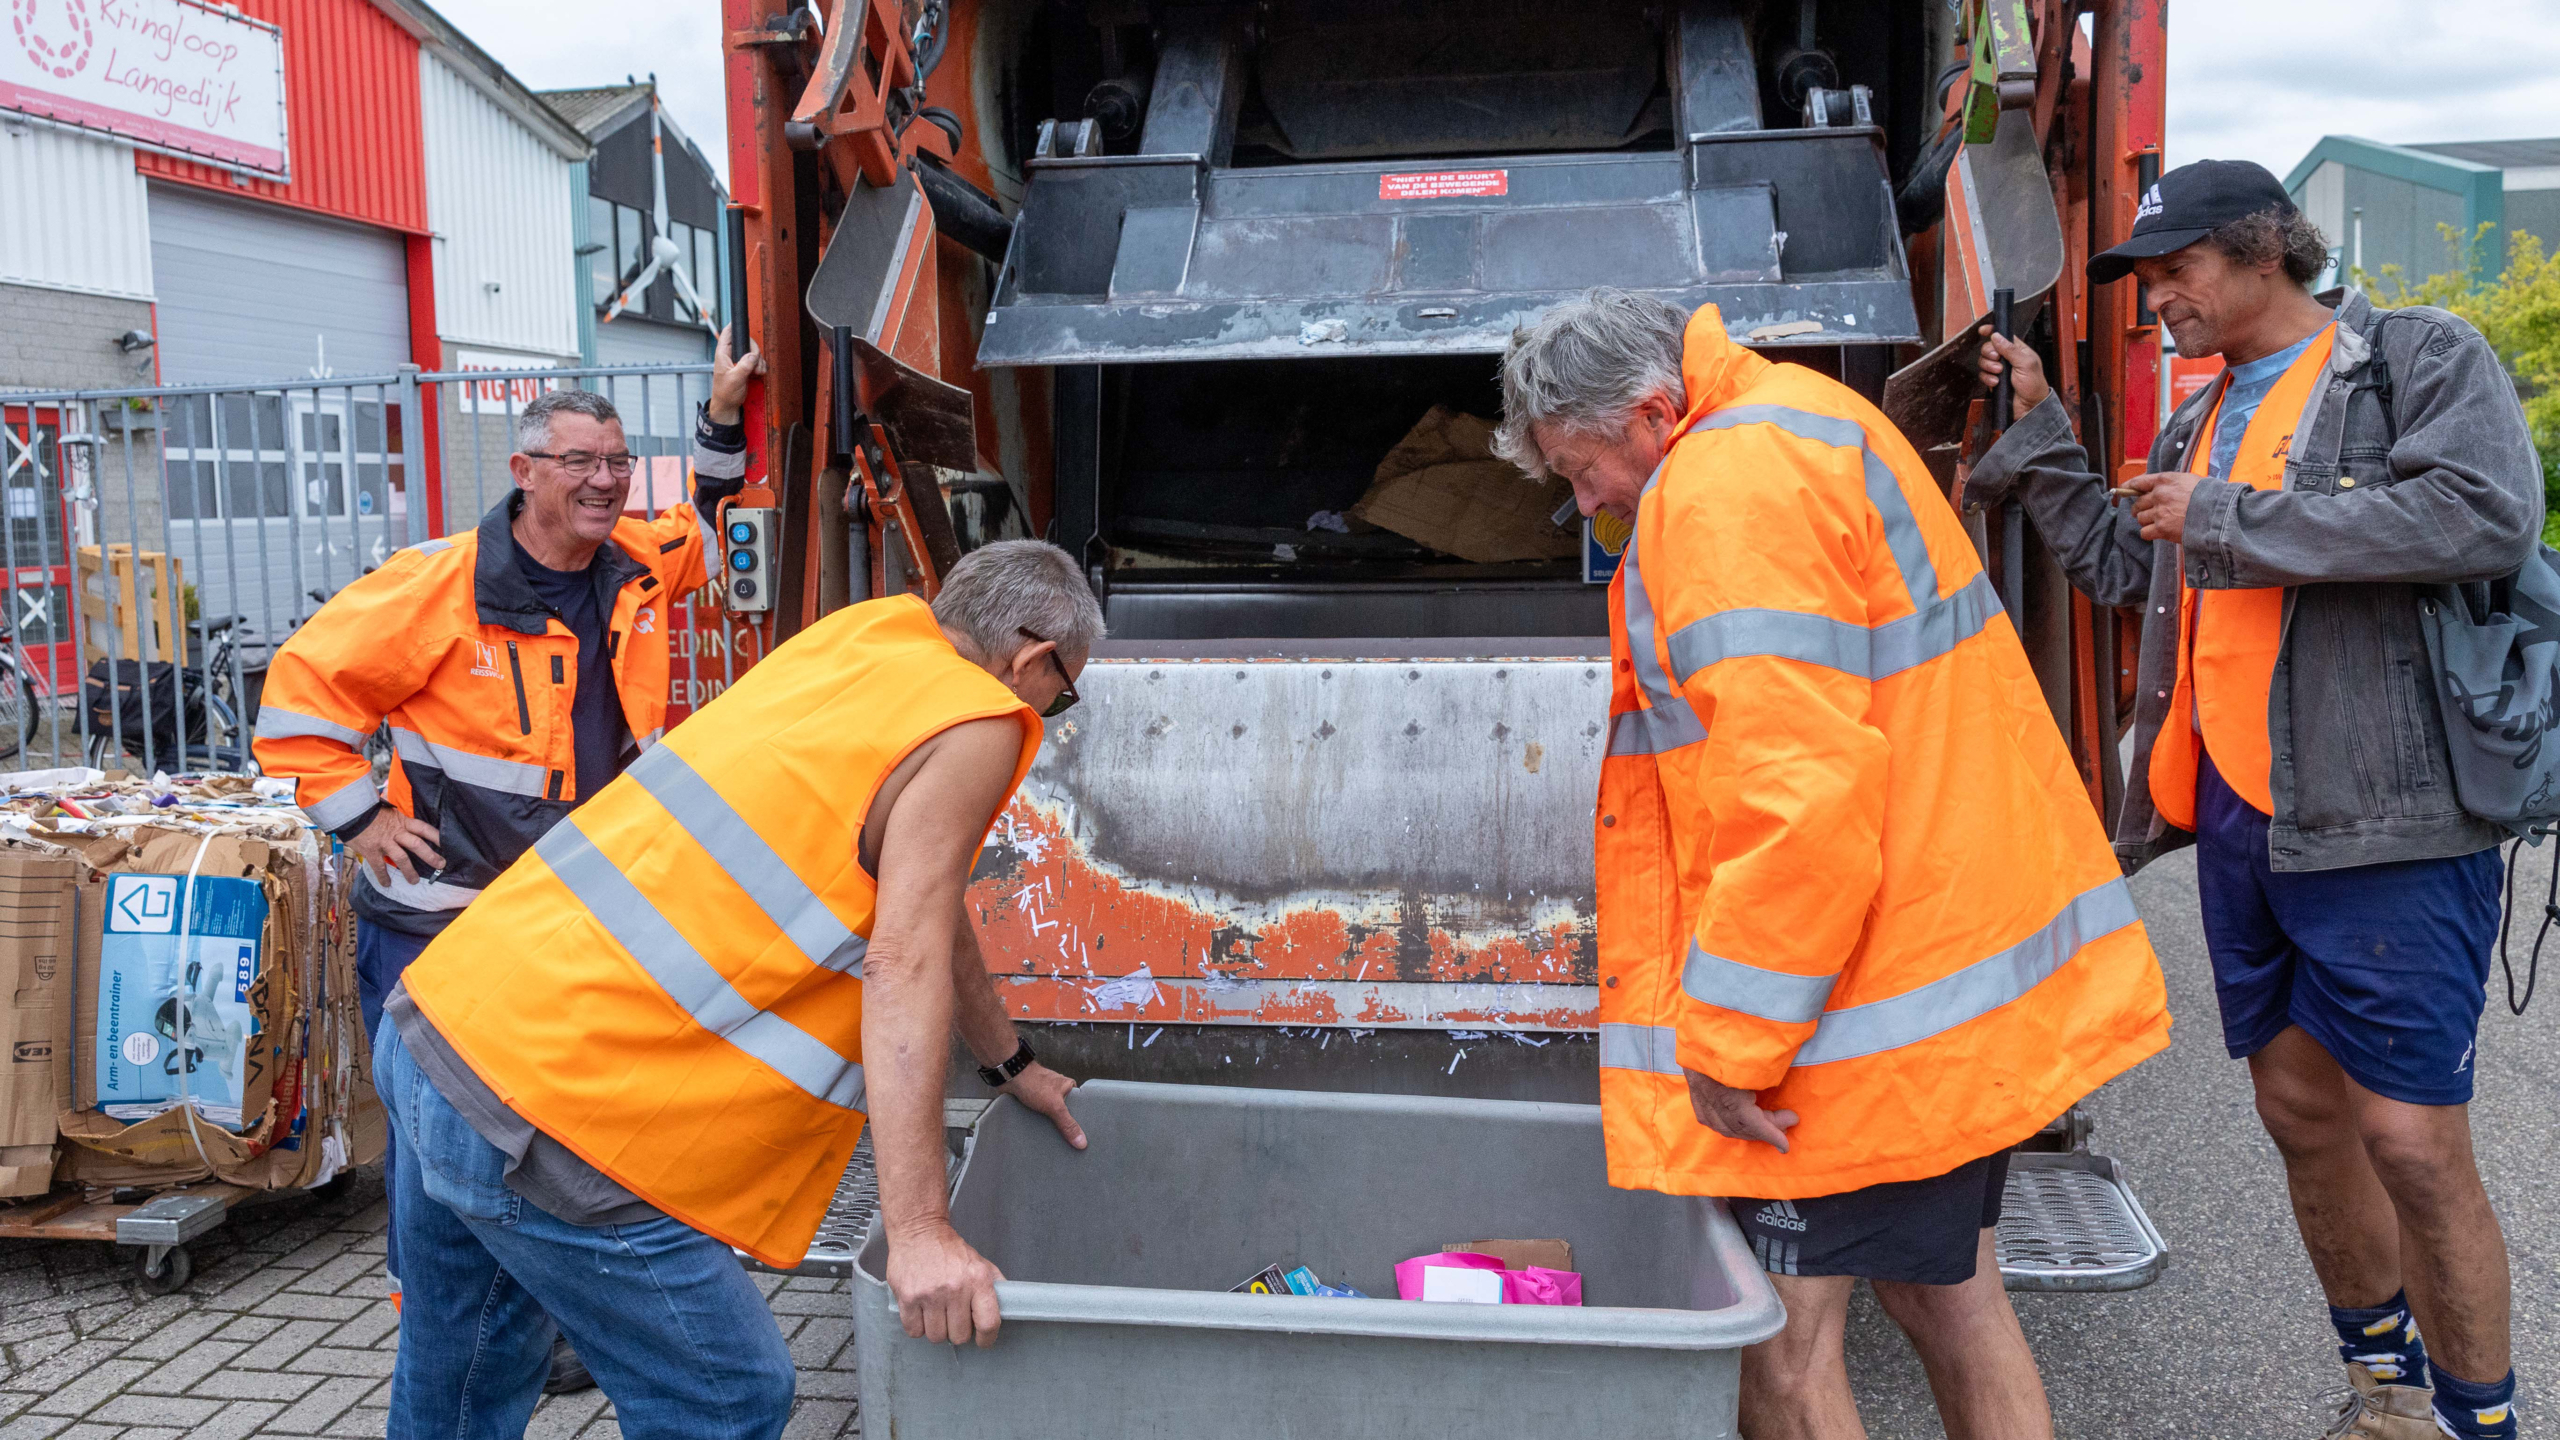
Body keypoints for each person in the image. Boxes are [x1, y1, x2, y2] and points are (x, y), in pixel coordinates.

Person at [1494, 288, 2171, 1440]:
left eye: (1578, 467)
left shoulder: (1719, 496)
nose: (1586, 500)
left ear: (1653, 414)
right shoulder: (1808, 417)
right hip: (1929, 977)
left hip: (1849, 1014)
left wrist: (1730, 1042)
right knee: (1948, 1296)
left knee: (1779, 1348)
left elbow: (1795, 804)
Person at [1968, 159, 2534, 1440]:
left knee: (2410, 1139)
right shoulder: (2196, 417)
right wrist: (2047, 428)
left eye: (2173, 272)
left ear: (2260, 254)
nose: (2156, 298)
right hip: (2237, 819)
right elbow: (2127, 562)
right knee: (2296, 1112)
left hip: (2385, 816)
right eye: (2145, 280)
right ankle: (2383, 1391)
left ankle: (2478, 1420)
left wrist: (2228, 512)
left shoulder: (2415, 357)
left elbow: (2485, 516)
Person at [373, 539, 1099, 1440]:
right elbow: (902, 965)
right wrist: (918, 1231)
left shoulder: (865, 638)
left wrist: (1011, 1062)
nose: (1050, 711)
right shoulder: (981, 719)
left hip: (439, 1024)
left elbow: (928, 909)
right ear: (1030, 660)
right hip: (546, 1116)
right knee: (726, 1395)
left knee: (465, 1377)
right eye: (1061, 692)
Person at [251, 329, 767, 1389]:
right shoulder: (435, 588)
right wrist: (360, 822)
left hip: (561, 921)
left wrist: (721, 418)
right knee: (440, 1158)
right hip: (438, 928)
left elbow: (703, 527)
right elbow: (302, 695)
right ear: (523, 471)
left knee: (553, 1134)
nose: (603, 479)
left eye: (616, 462)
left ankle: (546, 1317)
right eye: (578, 461)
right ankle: (440, 1327)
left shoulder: (631, 566)